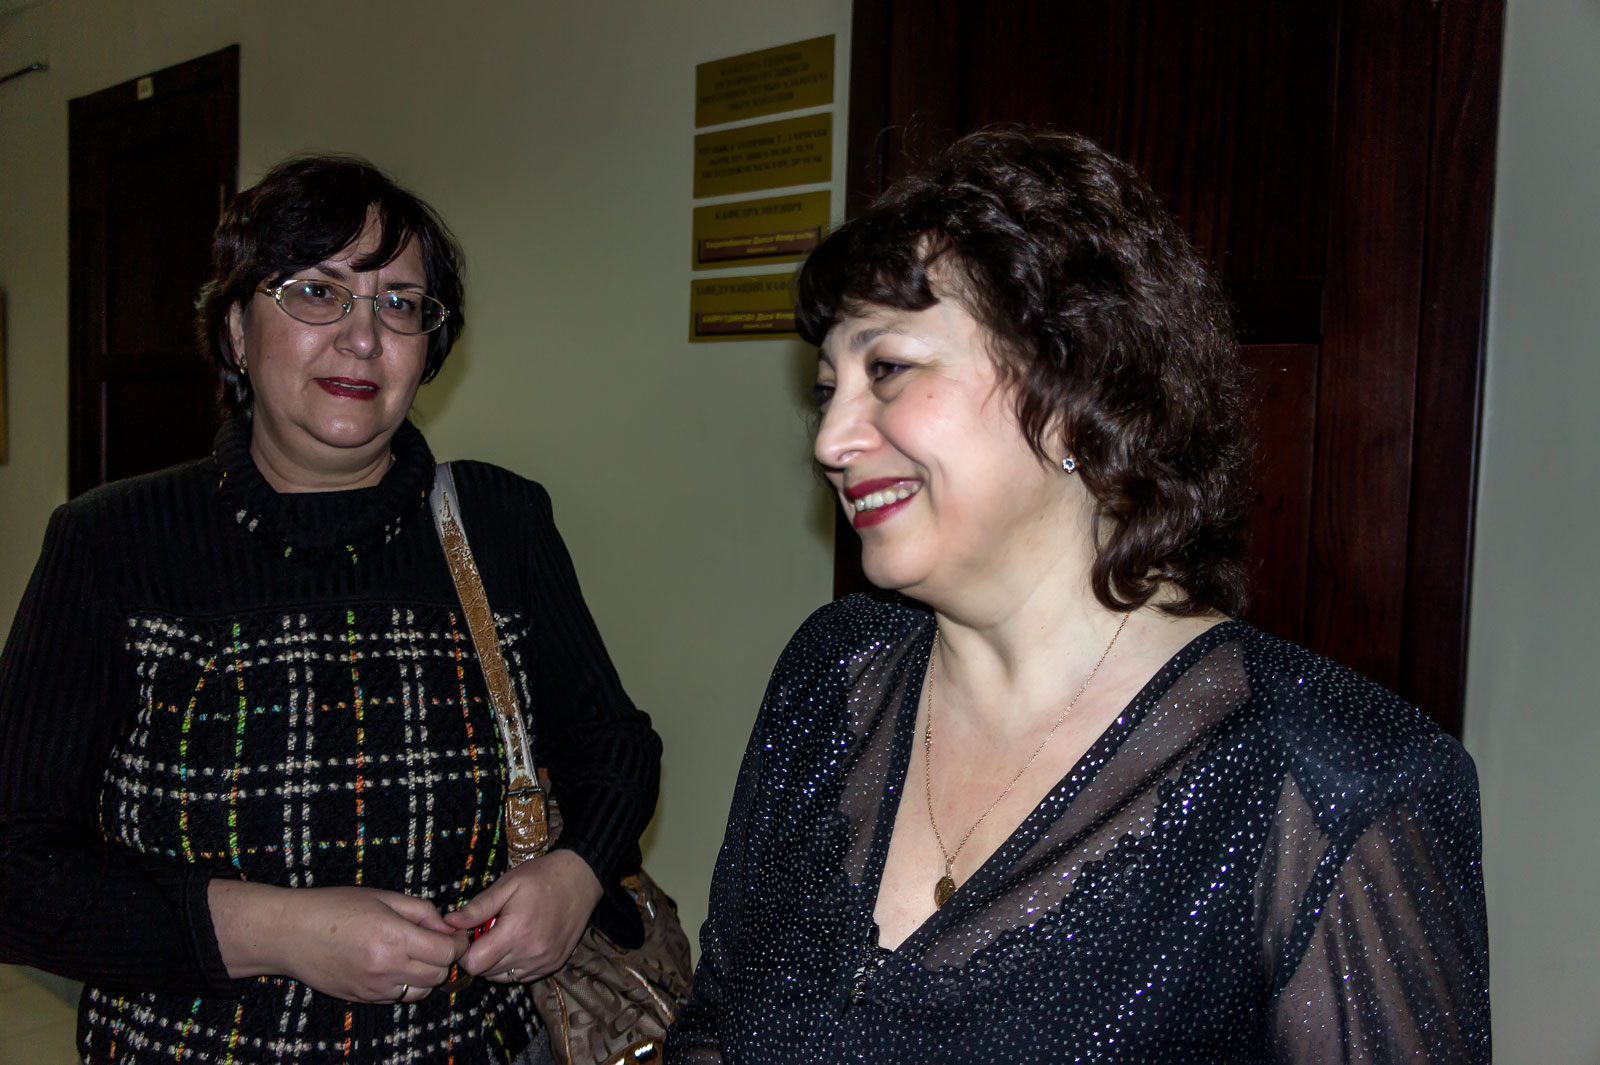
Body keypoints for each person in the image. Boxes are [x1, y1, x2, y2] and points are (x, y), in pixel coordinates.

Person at [666, 129, 1490, 1063]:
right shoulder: (831, 675)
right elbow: (715, 1025)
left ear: (1074, 389)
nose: (830, 440)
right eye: (828, 389)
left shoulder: (1337, 782)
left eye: (886, 369)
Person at [0, 156, 661, 1064]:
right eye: (317, 292)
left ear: (429, 346)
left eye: (401, 304)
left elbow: (614, 745)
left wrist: (574, 874)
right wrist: (278, 932)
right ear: (236, 330)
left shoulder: (499, 523)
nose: (363, 337)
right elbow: (17, 868)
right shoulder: (112, 542)